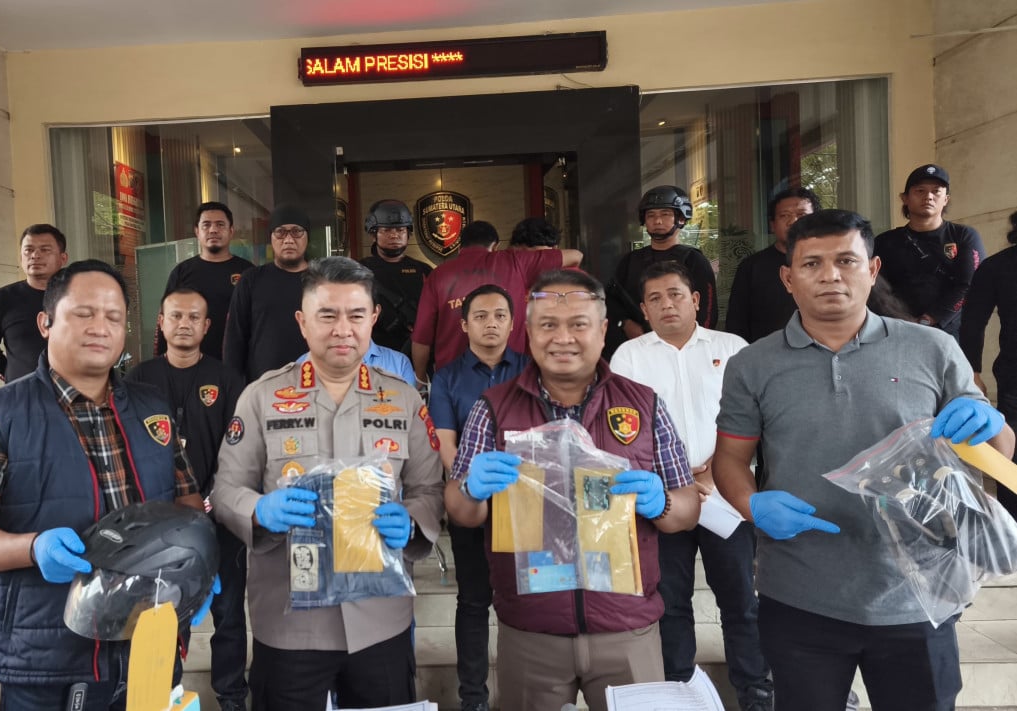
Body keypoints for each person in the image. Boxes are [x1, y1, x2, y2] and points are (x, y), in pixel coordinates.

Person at [713, 209, 1014, 711]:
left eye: (846, 260)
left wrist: (992, 423)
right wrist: (751, 504)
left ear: (873, 270)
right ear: (788, 279)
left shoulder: (934, 348)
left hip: (917, 593)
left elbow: (997, 453)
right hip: (800, 590)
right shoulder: (752, 364)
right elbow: (730, 458)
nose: (830, 275)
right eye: (812, 264)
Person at [0, 259, 206, 710]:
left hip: (150, 644)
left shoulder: (152, 409)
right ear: (45, 323)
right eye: (84, 313)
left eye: (114, 317)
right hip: (49, 658)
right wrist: (32, 548)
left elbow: (186, 502)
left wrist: (197, 565)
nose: (100, 327)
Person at [445, 269, 701, 711]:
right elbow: (460, 511)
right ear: (529, 332)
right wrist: (470, 490)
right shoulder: (493, 409)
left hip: (628, 627)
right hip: (531, 629)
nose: (563, 337)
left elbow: (687, 509)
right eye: (548, 324)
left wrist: (662, 503)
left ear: (602, 330)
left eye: (578, 324)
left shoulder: (644, 404)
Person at [213, 257, 445, 709]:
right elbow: (225, 490)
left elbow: (429, 490)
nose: (343, 329)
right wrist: (259, 510)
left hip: (381, 620)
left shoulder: (402, 398)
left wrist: (413, 521)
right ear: (302, 322)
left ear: (373, 318)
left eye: (356, 315)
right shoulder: (262, 397)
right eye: (327, 315)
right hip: (289, 623)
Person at [609, 262, 772, 711]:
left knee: (740, 600)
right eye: (655, 299)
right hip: (662, 501)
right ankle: (679, 692)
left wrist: (717, 471)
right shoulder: (628, 358)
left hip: (726, 495)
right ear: (643, 309)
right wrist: (676, 480)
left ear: (696, 299)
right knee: (671, 603)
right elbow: (623, 431)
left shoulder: (733, 348)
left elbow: (759, 418)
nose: (667, 305)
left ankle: (756, 692)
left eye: (675, 294)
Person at [124, 286, 248, 711]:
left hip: (220, 517)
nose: (184, 324)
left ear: (207, 326)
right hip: (160, 525)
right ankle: (166, 693)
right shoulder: (137, 379)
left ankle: (232, 696)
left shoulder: (227, 379)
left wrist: (211, 499)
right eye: (175, 315)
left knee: (228, 613)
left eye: (194, 317)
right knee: (163, 616)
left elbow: (239, 448)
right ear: (161, 322)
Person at [428, 283, 526, 711]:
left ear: (513, 322)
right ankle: (473, 698)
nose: (491, 324)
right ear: (464, 324)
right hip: (471, 503)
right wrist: (471, 486)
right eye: (481, 316)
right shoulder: (447, 378)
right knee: (473, 601)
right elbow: (446, 445)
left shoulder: (532, 369)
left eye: (500, 315)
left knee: (523, 601)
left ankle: (522, 693)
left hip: (524, 507)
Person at [411, 220, 582, 378]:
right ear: (495, 246)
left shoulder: (438, 275)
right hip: (508, 379)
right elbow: (576, 255)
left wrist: (420, 377)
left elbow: (421, 337)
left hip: (453, 379)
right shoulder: (514, 261)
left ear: (460, 247)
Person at [873, 164, 985, 338]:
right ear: (905, 198)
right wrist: (902, 320)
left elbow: (970, 284)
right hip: (897, 331)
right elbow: (876, 287)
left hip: (950, 333)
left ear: (946, 199)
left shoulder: (964, 236)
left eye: (936, 191)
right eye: (920, 191)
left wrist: (931, 318)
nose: (929, 197)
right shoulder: (885, 241)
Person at [960, 209, 1017, 517]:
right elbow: (972, 322)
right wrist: (973, 371)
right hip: (1014, 378)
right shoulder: (997, 267)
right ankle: (1010, 528)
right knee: (1011, 459)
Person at [612, 186, 717, 341]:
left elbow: (707, 312)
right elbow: (612, 302)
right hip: (637, 344)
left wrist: (695, 343)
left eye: (665, 214)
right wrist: (625, 324)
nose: (657, 221)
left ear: (681, 218)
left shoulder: (694, 260)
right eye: (651, 215)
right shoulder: (630, 260)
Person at [223, 205, 311, 381]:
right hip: (263, 384)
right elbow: (234, 339)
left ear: (307, 237)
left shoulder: (322, 280)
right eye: (280, 232)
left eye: (296, 232)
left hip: (314, 382)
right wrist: (232, 386)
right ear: (271, 237)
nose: (288, 240)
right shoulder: (251, 280)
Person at [0, 224, 69, 381]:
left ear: (63, 258)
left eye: (45, 250)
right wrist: (13, 379)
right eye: (28, 250)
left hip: (75, 392)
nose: (35, 255)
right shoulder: (1, 299)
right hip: (25, 394)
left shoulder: (79, 297)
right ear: (21, 258)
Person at [161, 202, 253, 360]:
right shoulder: (181, 272)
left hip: (238, 362)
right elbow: (167, 319)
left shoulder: (248, 272)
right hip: (191, 362)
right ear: (197, 231)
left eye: (220, 225)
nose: (213, 230)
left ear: (231, 231)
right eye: (206, 225)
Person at [726, 187, 821, 342]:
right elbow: (736, 323)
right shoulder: (752, 266)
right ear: (772, 225)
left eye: (802, 215)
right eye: (785, 216)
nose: (793, 221)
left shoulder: (830, 265)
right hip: (766, 354)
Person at [359, 199, 432, 356]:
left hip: (417, 355)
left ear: (408, 233)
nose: (394, 235)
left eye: (400, 230)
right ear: (373, 234)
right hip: (372, 354)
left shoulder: (423, 270)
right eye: (386, 230)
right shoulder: (359, 270)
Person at [296, 338, 417, 387]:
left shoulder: (399, 363)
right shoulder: (305, 364)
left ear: (374, 315)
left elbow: (411, 418)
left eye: (356, 315)